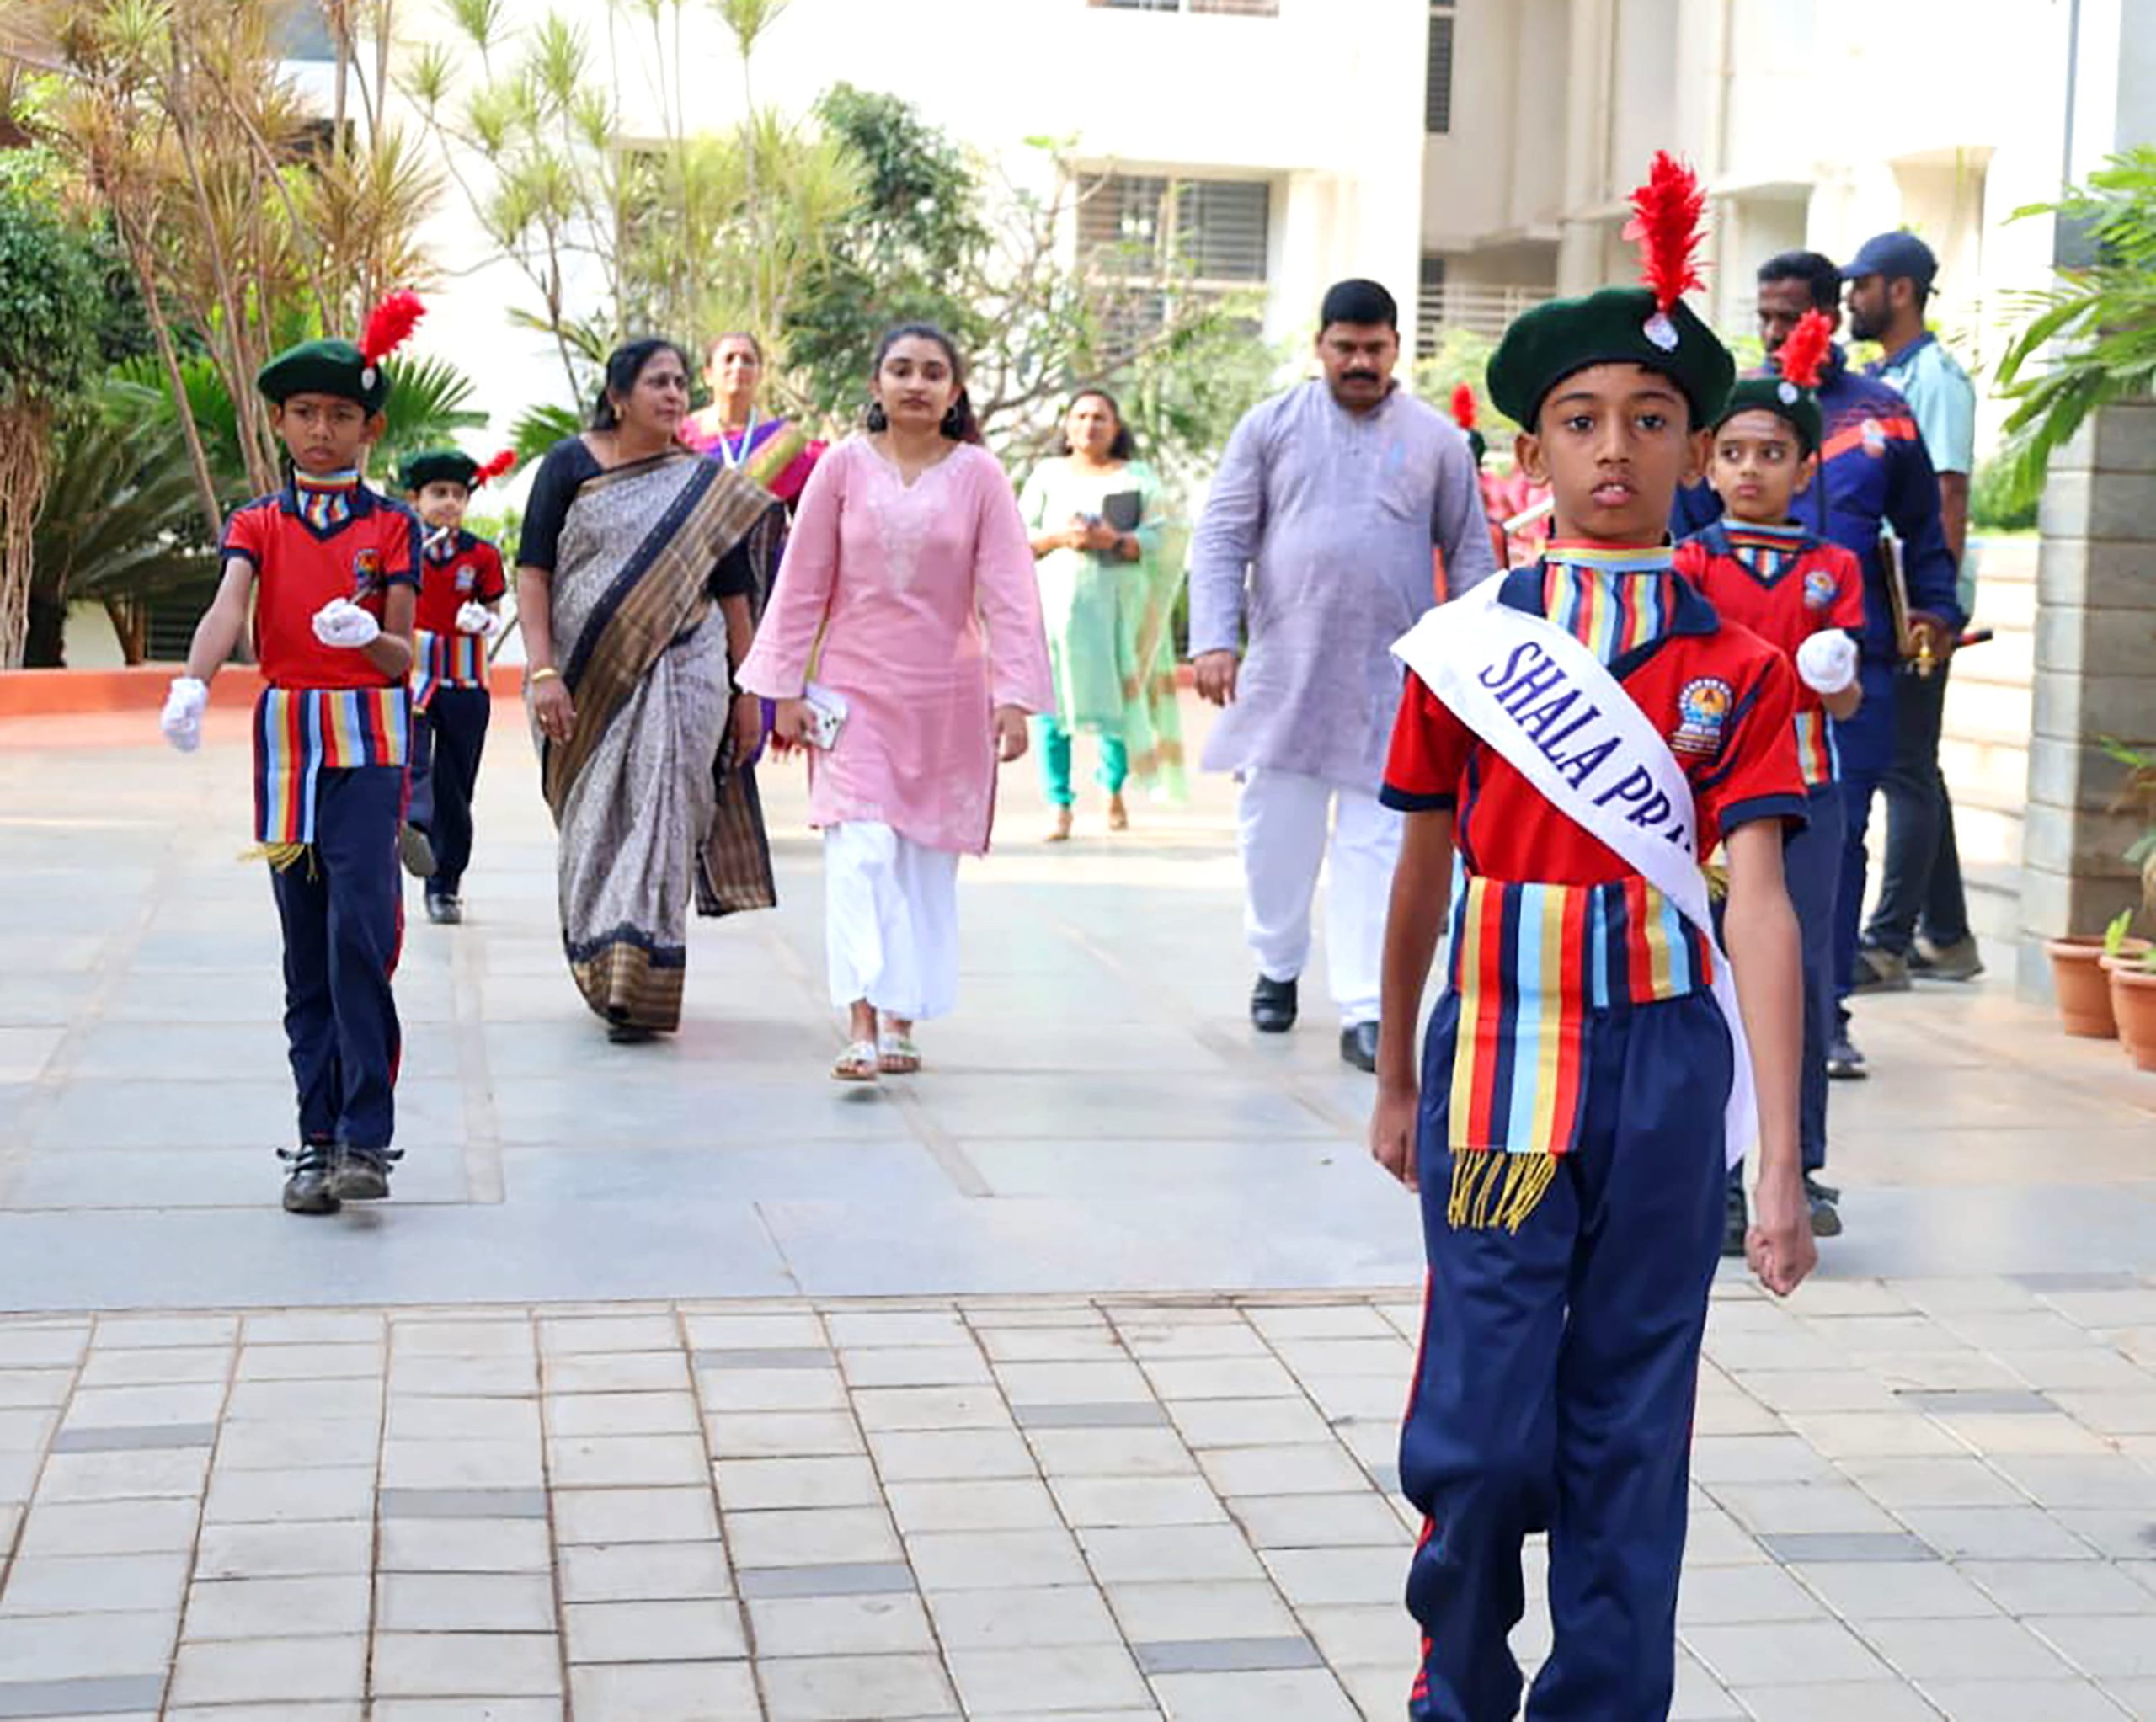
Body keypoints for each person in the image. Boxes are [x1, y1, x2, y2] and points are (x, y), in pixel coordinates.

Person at [1368, 155, 1815, 1722]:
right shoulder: (1472, 651)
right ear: (1532, 442)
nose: (1614, 448)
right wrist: (1392, 1073)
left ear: (1698, 444)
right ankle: (1458, 1682)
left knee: (1635, 1422)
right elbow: (1419, 865)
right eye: (1579, 418)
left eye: (1648, 417)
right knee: (1482, 1432)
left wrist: (1778, 1155)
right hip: (1495, 1057)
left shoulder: (1743, 662)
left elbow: (1756, 902)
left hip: (1663, 1081)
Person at [157, 293, 427, 1215]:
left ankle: (366, 1132)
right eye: (305, 413)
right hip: (286, 748)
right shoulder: (259, 523)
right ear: (279, 421)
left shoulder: (392, 526)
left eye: (341, 414)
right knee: (303, 947)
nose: (322, 429)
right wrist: (194, 678)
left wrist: (365, 637)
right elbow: (231, 605)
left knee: (362, 928)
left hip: (368, 739)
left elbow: (401, 653)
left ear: (368, 427)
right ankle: (315, 1138)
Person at [1188, 278, 1498, 1072]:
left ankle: (1366, 1007)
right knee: (1273, 836)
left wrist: (1474, 661)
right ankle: (1279, 962)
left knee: (1381, 841)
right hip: (1288, 669)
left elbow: (1468, 551)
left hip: (1393, 678)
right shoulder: (1271, 426)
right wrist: (1216, 638)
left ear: (1397, 349)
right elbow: (1222, 536)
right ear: (1320, 346)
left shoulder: (1434, 439)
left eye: (1375, 348)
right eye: (1345, 347)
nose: (1360, 361)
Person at [1673, 250, 1962, 1081]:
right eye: (1761, 314)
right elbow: (1691, 527)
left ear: (1827, 314)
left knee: (1837, 839)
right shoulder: (1737, 413)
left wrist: (1936, 610)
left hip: (1849, 666)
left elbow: (1919, 525)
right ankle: (1728, 1006)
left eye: (1786, 315)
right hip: (1725, 682)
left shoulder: (1884, 412)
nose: (1770, 332)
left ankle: (1823, 1012)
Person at [739, 324, 1053, 1082]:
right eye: (901, 370)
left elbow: (1010, 590)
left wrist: (1014, 696)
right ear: (876, 385)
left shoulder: (979, 475)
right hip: (852, 692)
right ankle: (859, 1019)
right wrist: (779, 687)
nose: (916, 384)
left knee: (921, 862)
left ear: (955, 391)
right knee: (861, 852)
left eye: (933, 372)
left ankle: (903, 1012)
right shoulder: (843, 467)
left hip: (948, 698)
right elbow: (802, 578)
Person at [515, 339, 783, 1044]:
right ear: (618, 395)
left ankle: (641, 972)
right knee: (595, 819)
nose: (672, 393)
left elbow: (734, 598)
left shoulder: (701, 484)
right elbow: (534, 573)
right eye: (657, 382)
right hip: (583, 674)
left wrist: (751, 692)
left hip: (688, 669)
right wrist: (542, 670)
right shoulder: (569, 465)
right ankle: (602, 954)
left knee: (669, 810)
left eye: (679, 382)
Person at [1673, 309, 1867, 1250]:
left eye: (1774, 452)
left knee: (1802, 970)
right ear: (1707, 464)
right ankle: (1712, 1173)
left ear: (1804, 467)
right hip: (1712, 795)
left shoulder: (1834, 568)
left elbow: (1846, 702)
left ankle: (1801, 1163)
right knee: (1711, 976)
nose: (1751, 469)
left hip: (1810, 789)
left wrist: (1834, 676)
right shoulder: (1690, 561)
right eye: (1736, 451)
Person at [1844, 232, 1983, 985]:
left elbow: (1948, 494)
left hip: (1913, 606)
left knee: (1904, 767)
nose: (1850, 299)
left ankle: (1889, 943)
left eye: (1861, 284)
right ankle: (1949, 935)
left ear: (1900, 290)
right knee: (1915, 766)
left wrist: (1931, 609)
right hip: (1888, 597)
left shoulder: (1937, 377)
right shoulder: (1885, 375)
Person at [1019, 389, 1177, 840]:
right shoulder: (1048, 475)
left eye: (1100, 418)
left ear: (1117, 427)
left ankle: (1112, 789)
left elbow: (1165, 537)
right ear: (1067, 427)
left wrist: (1116, 541)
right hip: (1059, 616)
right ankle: (1059, 805)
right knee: (1052, 712)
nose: (1090, 425)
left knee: (1120, 708)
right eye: (1081, 416)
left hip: (1119, 615)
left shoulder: (1139, 477)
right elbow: (1017, 535)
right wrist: (1060, 539)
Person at [397, 447, 511, 925]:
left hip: (465, 682)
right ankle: (414, 827)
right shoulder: (403, 550)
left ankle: (445, 885)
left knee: (456, 786)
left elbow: (495, 614)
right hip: (416, 678)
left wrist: (480, 617)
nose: (448, 503)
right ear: (415, 499)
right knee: (414, 762)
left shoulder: (482, 555)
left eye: (457, 495)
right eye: (438, 493)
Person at [680, 331, 825, 508]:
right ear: (708, 375)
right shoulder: (681, 435)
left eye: (748, 360)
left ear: (760, 374)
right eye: (729, 359)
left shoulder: (782, 440)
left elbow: (805, 514)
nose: (739, 366)